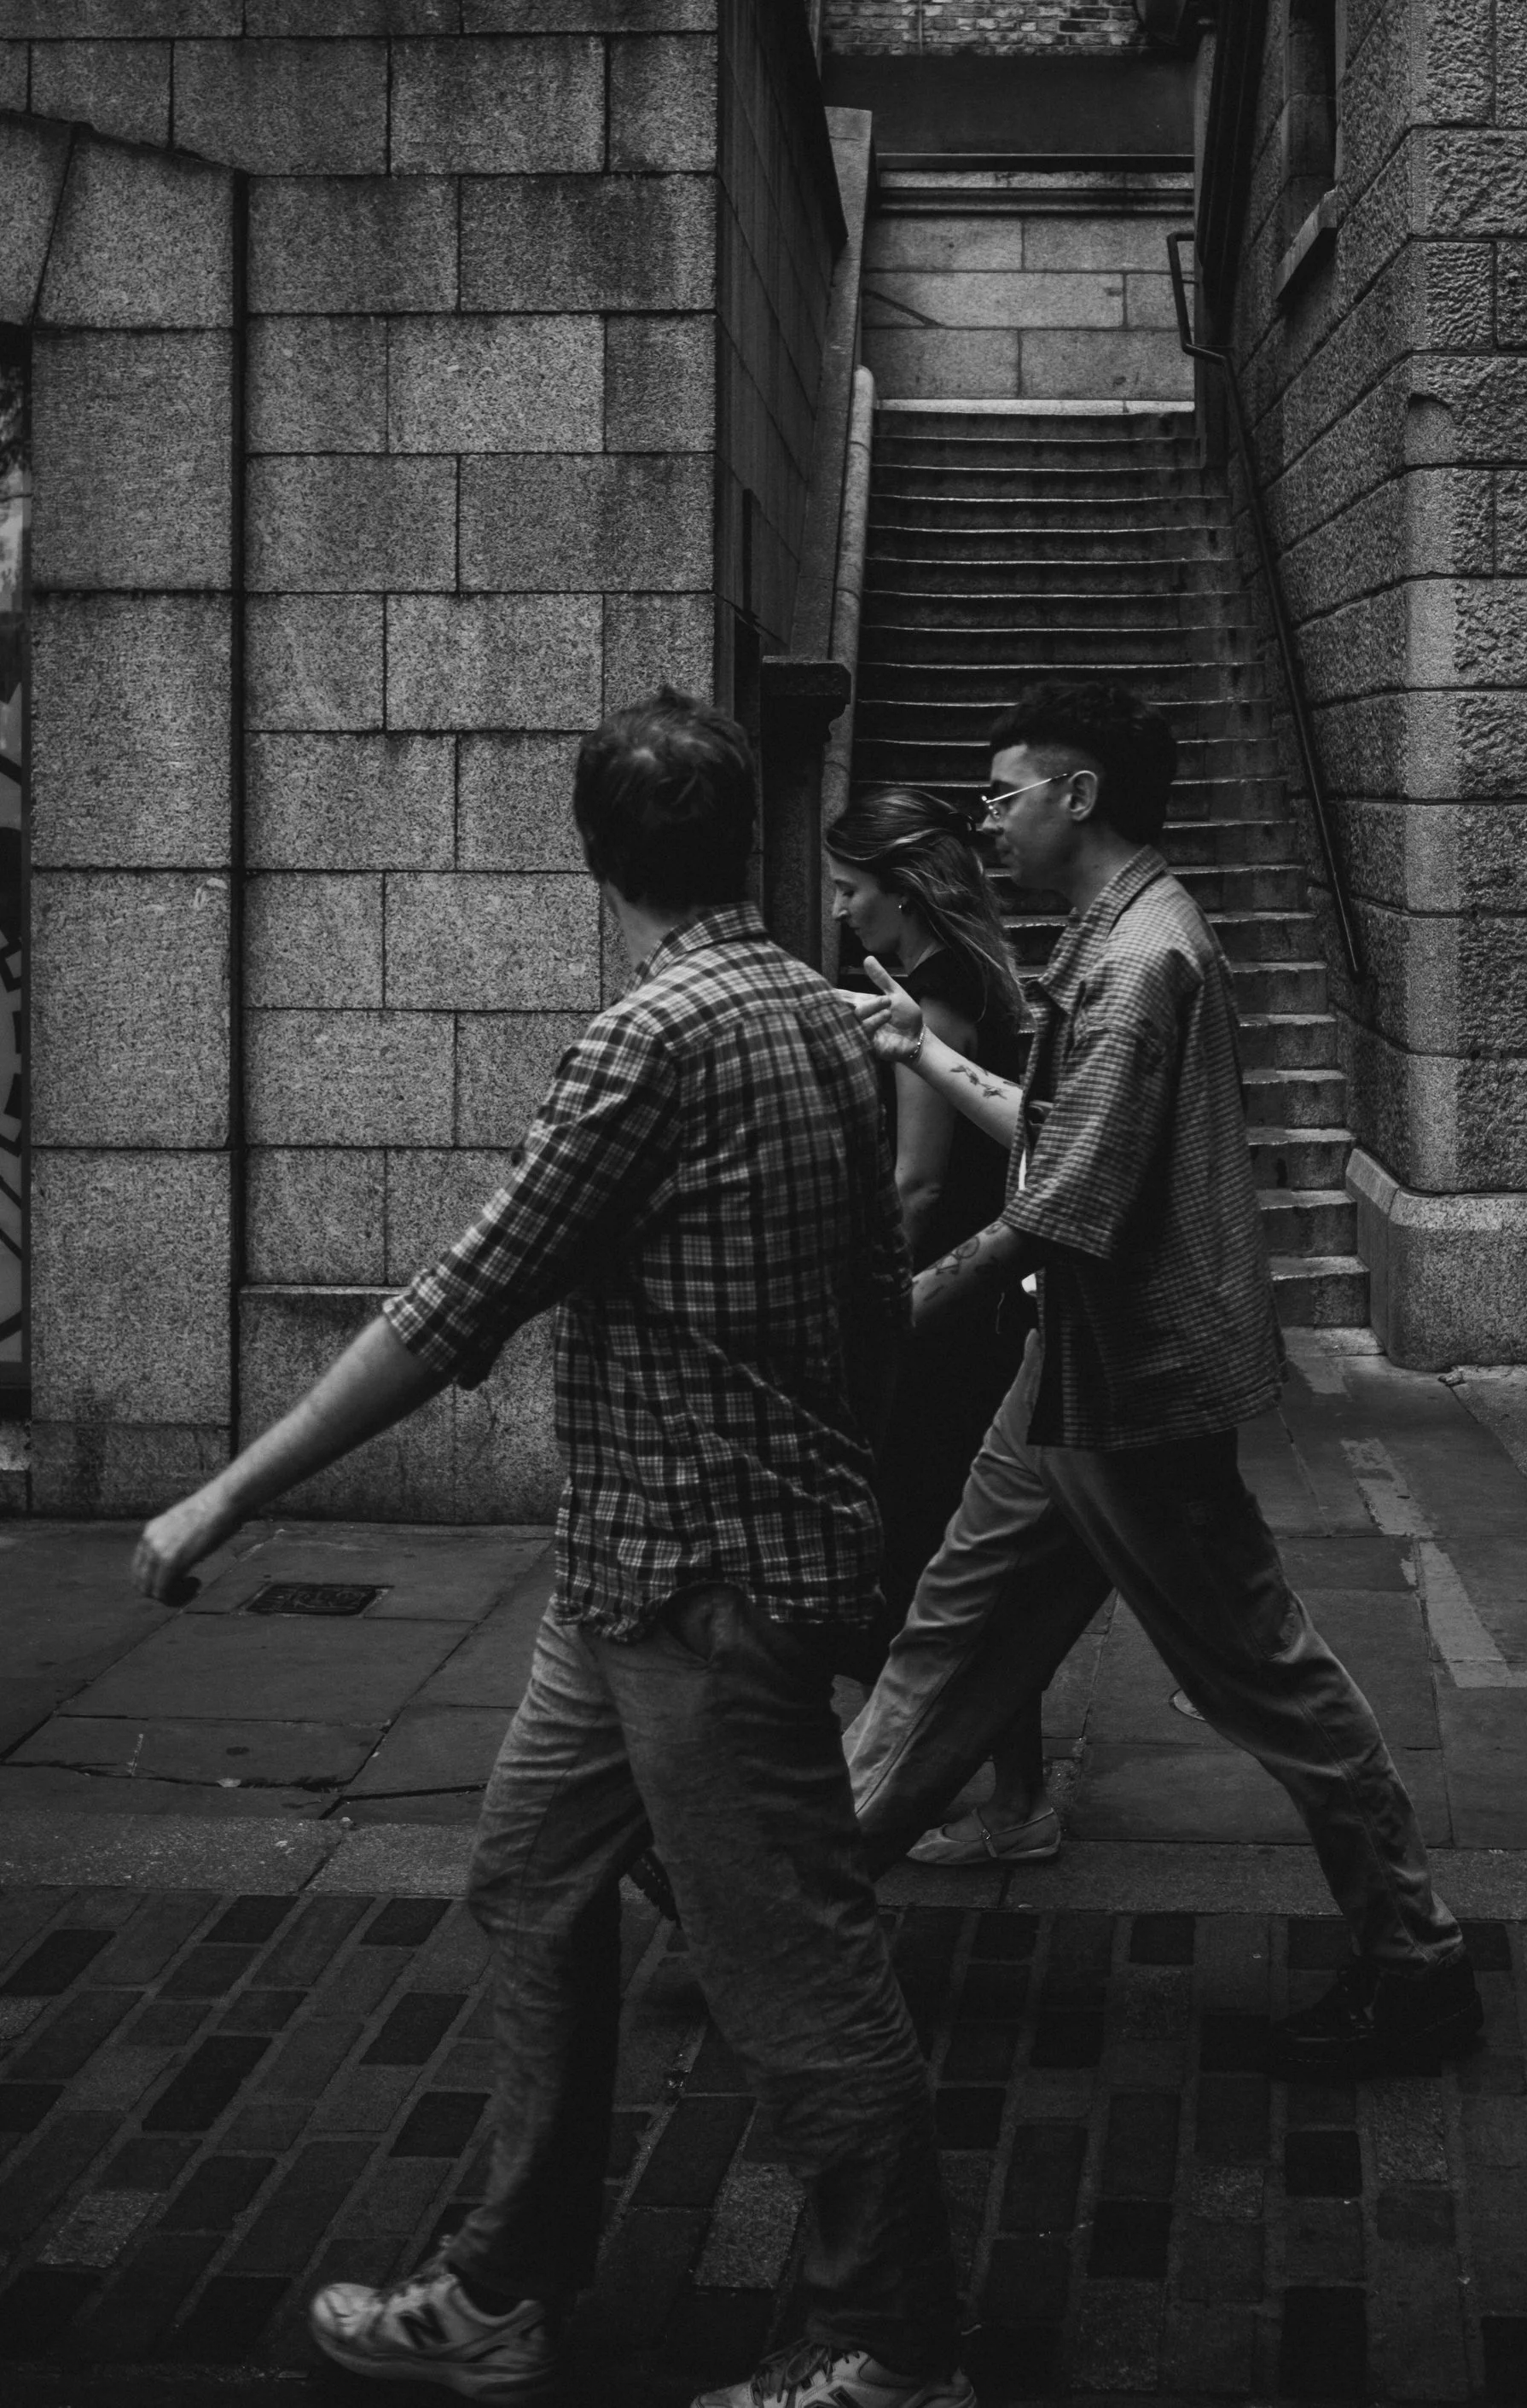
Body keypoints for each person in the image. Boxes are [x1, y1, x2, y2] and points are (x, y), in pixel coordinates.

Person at [132, 692, 970, 2408]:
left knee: (795, 1965)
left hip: (700, 1580)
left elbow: (456, 1304)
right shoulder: (818, 1017)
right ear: (740, 839)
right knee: (531, 1878)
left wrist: (226, 1496)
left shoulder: (647, 1043)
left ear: (595, 857)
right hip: (640, 1572)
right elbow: (879, 1287)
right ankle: (508, 2282)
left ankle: (883, 2346)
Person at [842, 679, 1482, 2081]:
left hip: (1132, 1392)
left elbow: (1072, 1196)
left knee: (1269, 1677)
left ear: (1079, 795)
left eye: (1006, 791)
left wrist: (910, 1300)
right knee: (946, 1644)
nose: (988, 815)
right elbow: (1064, 1136)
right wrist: (924, 1048)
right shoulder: (1117, 934)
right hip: (1065, 1375)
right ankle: (784, 1921)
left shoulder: (1143, 959)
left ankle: (1419, 1959)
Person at [824, 788, 1054, 1864]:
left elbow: (917, 1186)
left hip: (938, 1312)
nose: (838, 911)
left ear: (903, 892)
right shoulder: (962, 975)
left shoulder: (938, 995)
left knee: (923, 1558)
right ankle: (1005, 1794)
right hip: (967, 1310)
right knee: (946, 1557)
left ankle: (995, 1800)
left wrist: (867, 1310)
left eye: (851, 888)